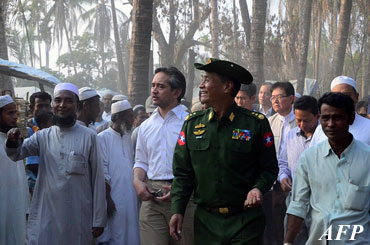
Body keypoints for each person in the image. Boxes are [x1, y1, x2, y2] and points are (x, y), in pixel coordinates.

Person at [169, 58, 278, 244]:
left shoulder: (255, 124)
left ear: (227, 87)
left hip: (245, 221)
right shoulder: (192, 124)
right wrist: (177, 209)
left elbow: (269, 168)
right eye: (202, 79)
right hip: (206, 222)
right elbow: (183, 173)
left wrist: (257, 188)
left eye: (207, 80)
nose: (201, 86)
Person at [5, 82, 106, 244]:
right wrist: (12, 141)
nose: (62, 105)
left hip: (78, 216)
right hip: (47, 215)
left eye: (68, 101)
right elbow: (17, 154)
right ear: (53, 105)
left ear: (77, 105)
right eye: (58, 100)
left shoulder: (90, 137)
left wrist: (99, 219)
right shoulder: (43, 136)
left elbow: (98, 179)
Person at [284, 92, 370, 244]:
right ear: (319, 119)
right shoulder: (309, 159)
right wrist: (287, 242)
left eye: (337, 118)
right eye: (325, 118)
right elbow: (297, 206)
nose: (330, 124)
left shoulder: (367, 158)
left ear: (350, 118)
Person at [133, 66, 195, 245]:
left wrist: (180, 187)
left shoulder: (190, 122)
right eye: (153, 85)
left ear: (176, 92)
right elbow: (141, 161)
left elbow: (198, 164)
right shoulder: (146, 126)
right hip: (152, 197)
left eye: (160, 86)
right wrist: (137, 181)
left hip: (184, 197)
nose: (154, 90)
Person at [278, 96, 320, 244]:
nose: (302, 125)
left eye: (306, 120)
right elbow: (283, 163)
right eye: (298, 120)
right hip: (295, 199)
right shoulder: (291, 135)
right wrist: (283, 177)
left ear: (317, 116)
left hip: (318, 202)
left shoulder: (325, 137)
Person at [98, 100, 140, 245]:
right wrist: (107, 200)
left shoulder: (129, 137)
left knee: (132, 232)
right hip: (113, 196)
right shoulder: (102, 138)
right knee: (115, 232)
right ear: (119, 117)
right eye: (129, 116)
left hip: (130, 195)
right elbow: (102, 171)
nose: (132, 120)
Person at [266, 81, 296, 245]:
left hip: (296, 182)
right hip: (274, 183)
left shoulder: (300, 120)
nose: (275, 101)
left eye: (280, 97)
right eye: (273, 98)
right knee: (276, 225)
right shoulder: (268, 122)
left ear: (291, 98)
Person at [0, 95, 29, 245]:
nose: (15, 117)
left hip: (16, 206)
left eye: (16, 113)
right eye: (9, 113)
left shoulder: (16, 142)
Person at [310, 76, 370, 146]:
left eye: (347, 95)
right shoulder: (320, 130)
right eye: (336, 95)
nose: (341, 100)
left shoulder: (368, 127)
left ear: (356, 97)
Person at [25, 91, 52, 194]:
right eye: (40, 106)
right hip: (37, 184)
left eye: (47, 106)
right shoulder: (28, 130)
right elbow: (33, 165)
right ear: (32, 108)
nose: (44, 110)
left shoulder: (53, 127)